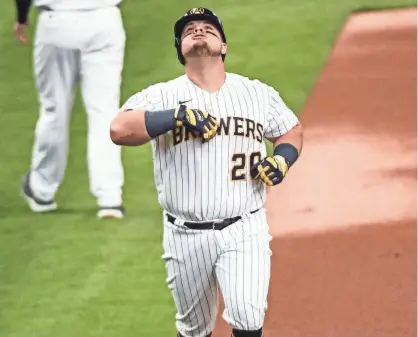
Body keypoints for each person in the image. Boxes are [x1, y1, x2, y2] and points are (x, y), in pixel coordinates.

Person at [110, 7, 303, 337]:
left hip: (244, 225)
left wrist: (282, 160)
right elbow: (119, 128)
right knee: (194, 328)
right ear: (180, 50)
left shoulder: (256, 93)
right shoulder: (161, 95)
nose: (198, 30)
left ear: (224, 46)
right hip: (184, 234)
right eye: (189, 30)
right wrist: (176, 117)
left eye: (208, 27)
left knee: (247, 315)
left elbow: (290, 130)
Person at [14, 0, 126, 219]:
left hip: (56, 22)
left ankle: (42, 190)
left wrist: (21, 15)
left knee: (54, 110)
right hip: (104, 19)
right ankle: (110, 198)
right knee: (104, 112)